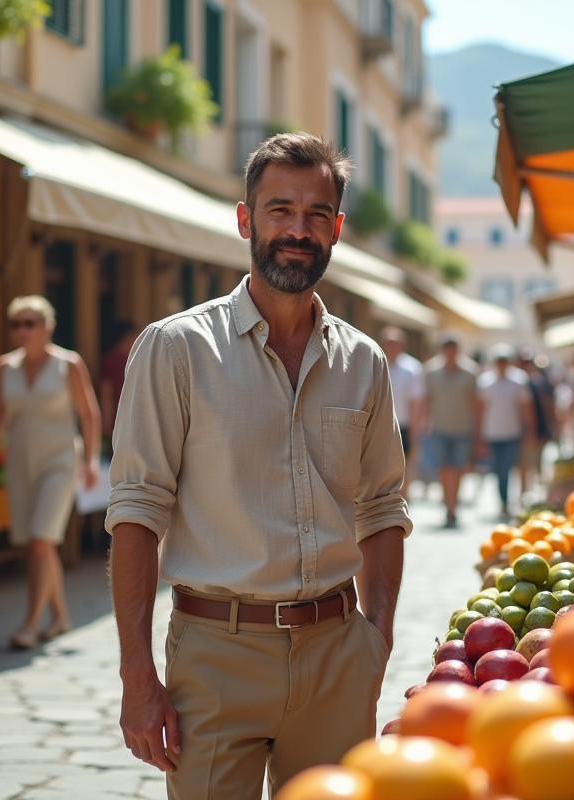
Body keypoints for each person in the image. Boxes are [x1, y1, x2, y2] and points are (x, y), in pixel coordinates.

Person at [107, 133, 409, 800]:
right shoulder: (176, 349)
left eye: (314, 215)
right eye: (279, 211)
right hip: (216, 656)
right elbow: (136, 511)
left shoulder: (364, 363)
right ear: (246, 220)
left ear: (337, 228)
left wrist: (376, 643)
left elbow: (384, 506)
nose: (296, 231)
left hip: (338, 656)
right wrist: (137, 676)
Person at [0, 296, 102, 650]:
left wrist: (92, 461)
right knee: (38, 544)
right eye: (15, 324)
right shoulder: (4, 367)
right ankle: (61, 616)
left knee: (40, 540)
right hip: (19, 461)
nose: (21, 330)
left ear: (47, 327)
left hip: (61, 460)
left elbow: (89, 413)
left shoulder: (69, 364)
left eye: (29, 323)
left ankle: (30, 625)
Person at [423, 335, 480, 527]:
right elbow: (426, 399)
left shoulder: (470, 372)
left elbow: (476, 403)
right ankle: (448, 507)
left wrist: (478, 432)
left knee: (458, 469)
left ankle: (453, 505)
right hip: (439, 428)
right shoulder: (431, 372)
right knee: (443, 469)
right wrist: (423, 423)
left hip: (463, 429)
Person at [478, 345, 535, 520]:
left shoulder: (519, 379)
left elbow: (526, 406)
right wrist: (479, 435)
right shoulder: (485, 381)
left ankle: (509, 501)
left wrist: (530, 429)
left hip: (512, 432)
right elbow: (480, 409)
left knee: (508, 468)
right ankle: (503, 502)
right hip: (493, 433)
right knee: (498, 470)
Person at [380, 326, 425, 491]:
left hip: (404, 425)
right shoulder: (377, 363)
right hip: (381, 425)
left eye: (395, 343)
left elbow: (417, 400)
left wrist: (416, 428)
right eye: (388, 342)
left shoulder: (412, 368)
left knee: (404, 466)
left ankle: (402, 500)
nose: (392, 346)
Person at [515, 347, 557, 500]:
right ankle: (525, 493)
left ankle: (537, 496)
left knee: (535, 463)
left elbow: (548, 403)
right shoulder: (519, 382)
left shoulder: (539, 382)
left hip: (538, 428)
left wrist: (553, 423)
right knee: (524, 464)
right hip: (523, 430)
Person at [99, 321, 138, 449]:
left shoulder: (108, 360)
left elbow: (106, 395)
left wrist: (106, 425)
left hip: (119, 419)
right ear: (128, 336)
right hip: (132, 417)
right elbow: (107, 394)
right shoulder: (135, 360)